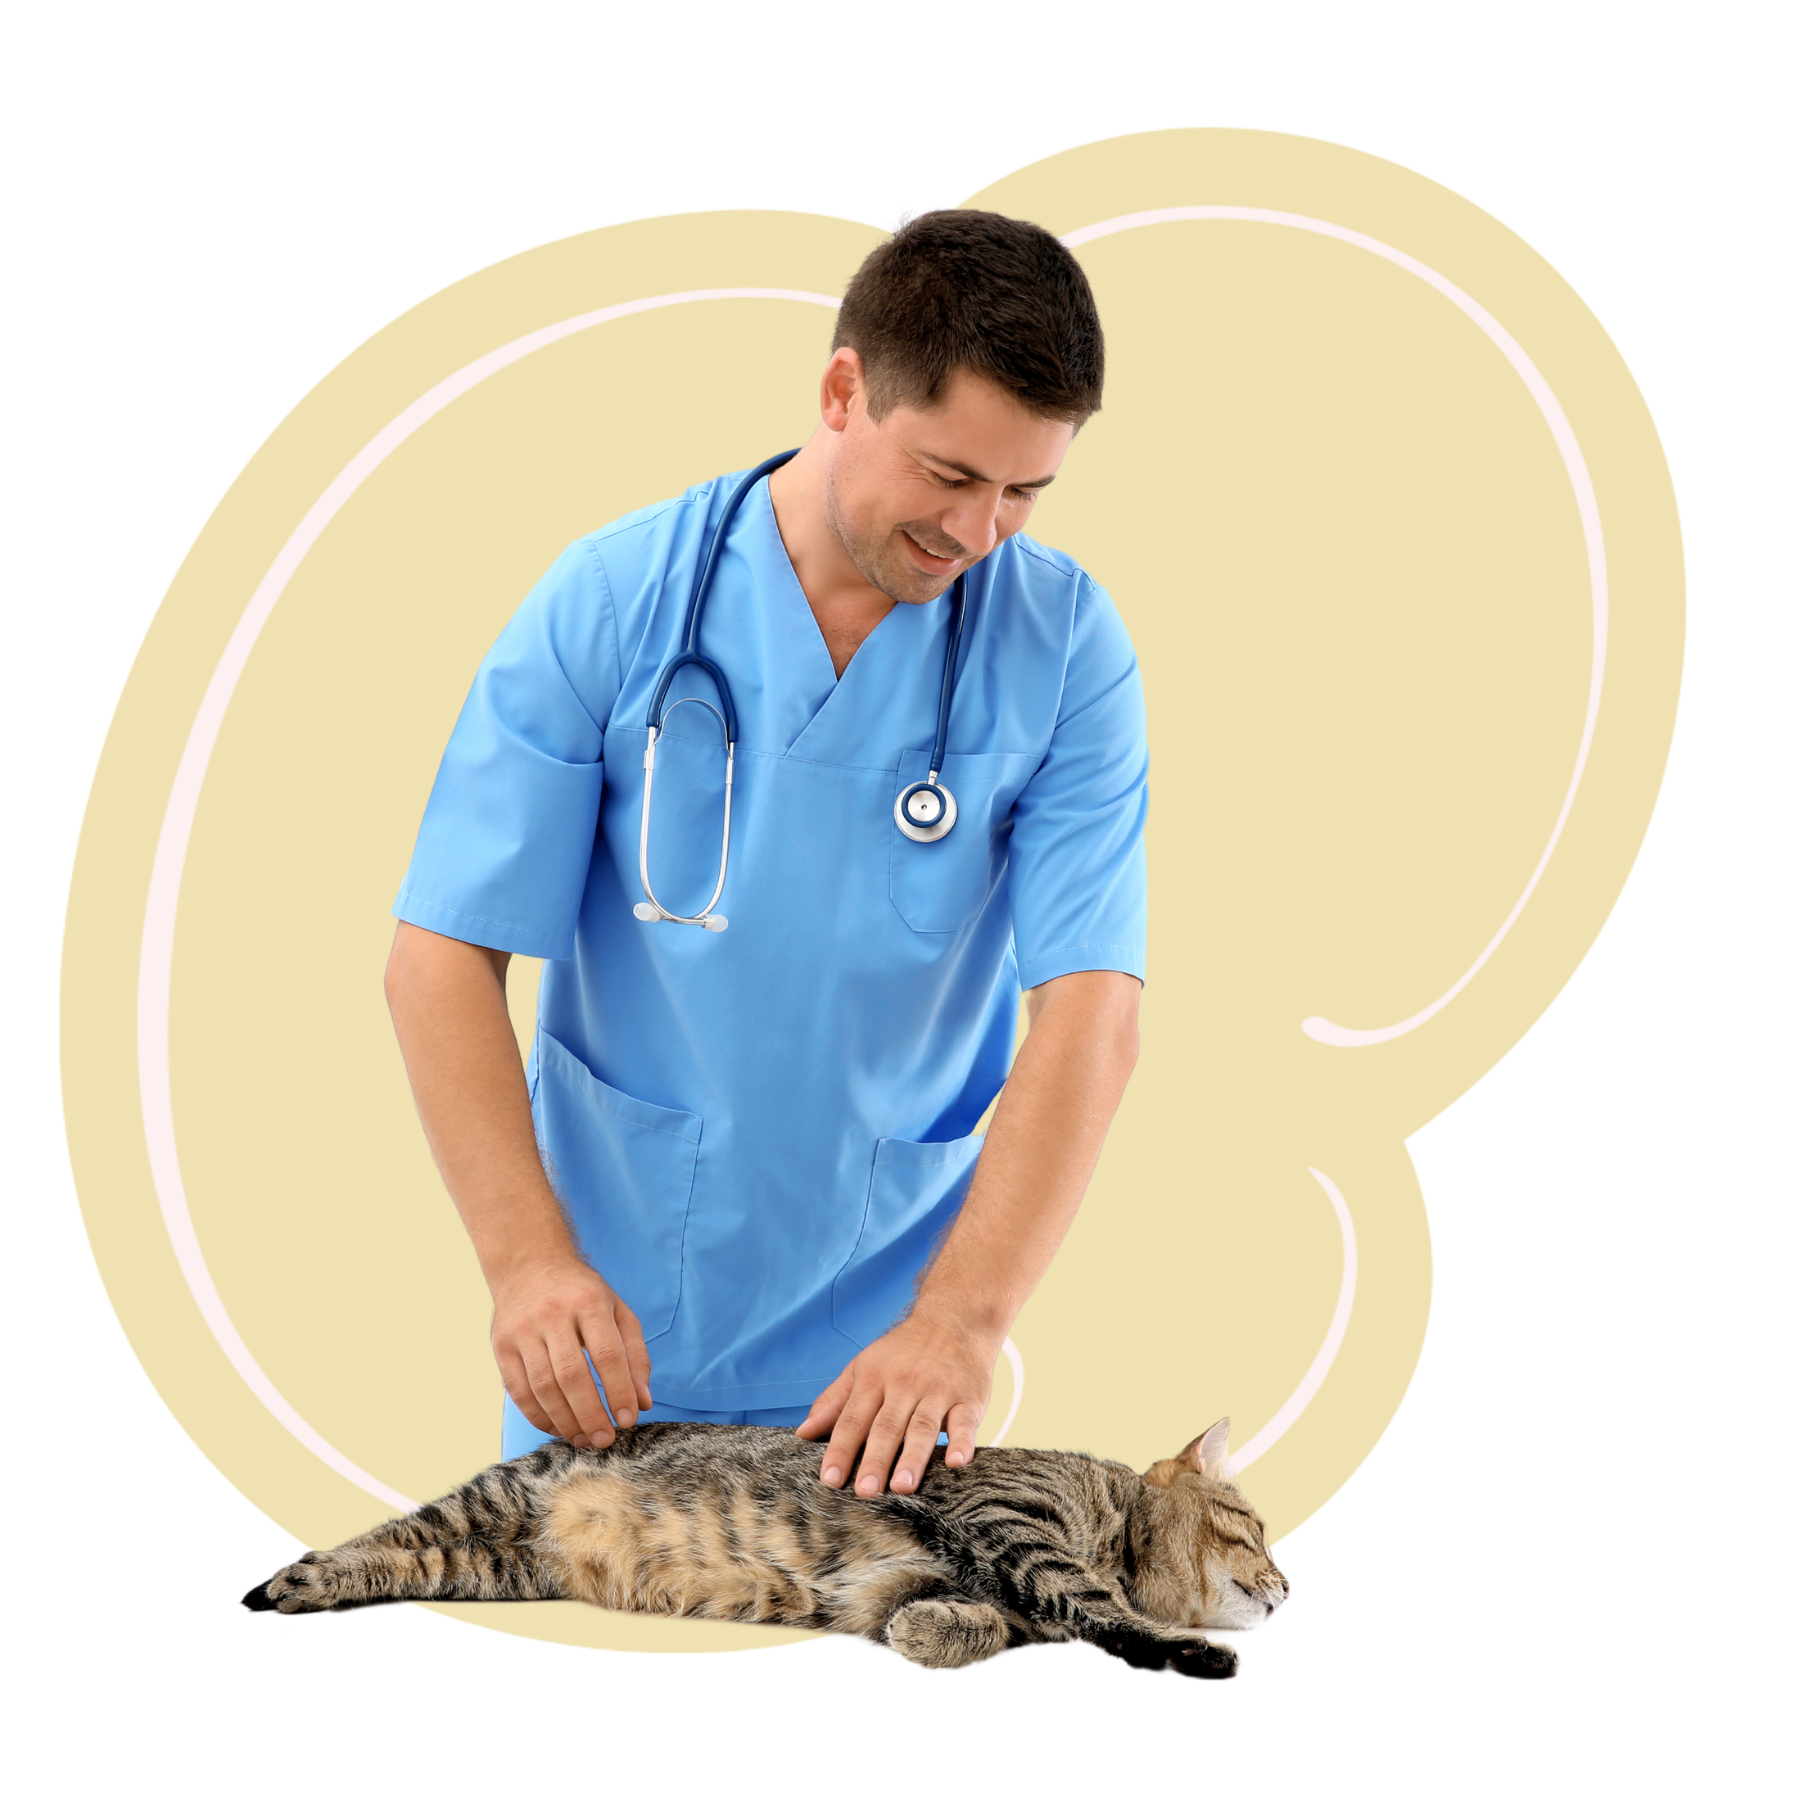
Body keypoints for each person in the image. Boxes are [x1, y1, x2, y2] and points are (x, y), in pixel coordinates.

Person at [384, 207, 1147, 1501]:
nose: (980, 535)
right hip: (608, 1338)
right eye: (951, 476)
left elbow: (1090, 1008)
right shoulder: (617, 597)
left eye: (1025, 490)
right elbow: (441, 953)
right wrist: (525, 1263)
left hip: (894, 1368)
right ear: (844, 389)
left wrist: (962, 1322)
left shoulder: (1064, 644)